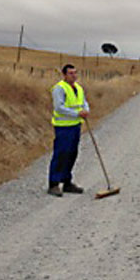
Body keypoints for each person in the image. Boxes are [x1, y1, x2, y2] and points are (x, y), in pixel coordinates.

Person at [47, 64, 90, 196]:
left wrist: (86, 111)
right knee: (61, 154)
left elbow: (84, 102)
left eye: (75, 73)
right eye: (71, 73)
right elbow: (59, 108)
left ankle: (67, 182)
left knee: (72, 154)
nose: (74, 75)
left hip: (76, 126)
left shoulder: (78, 88)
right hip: (63, 127)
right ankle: (53, 184)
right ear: (64, 75)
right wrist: (77, 114)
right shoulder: (59, 88)